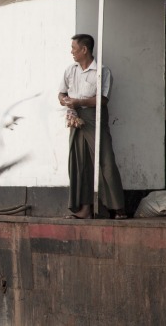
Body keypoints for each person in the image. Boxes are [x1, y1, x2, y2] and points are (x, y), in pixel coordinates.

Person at [58, 34, 126, 220]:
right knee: (79, 163)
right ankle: (84, 209)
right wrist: (66, 101)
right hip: (75, 118)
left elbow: (103, 100)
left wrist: (79, 101)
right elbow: (61, 93)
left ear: (84, 50)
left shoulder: (102, 71)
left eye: (74, 48)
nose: (71, 51)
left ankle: (117, 207)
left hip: (93, 117)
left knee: (105, 161)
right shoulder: (70, 70)